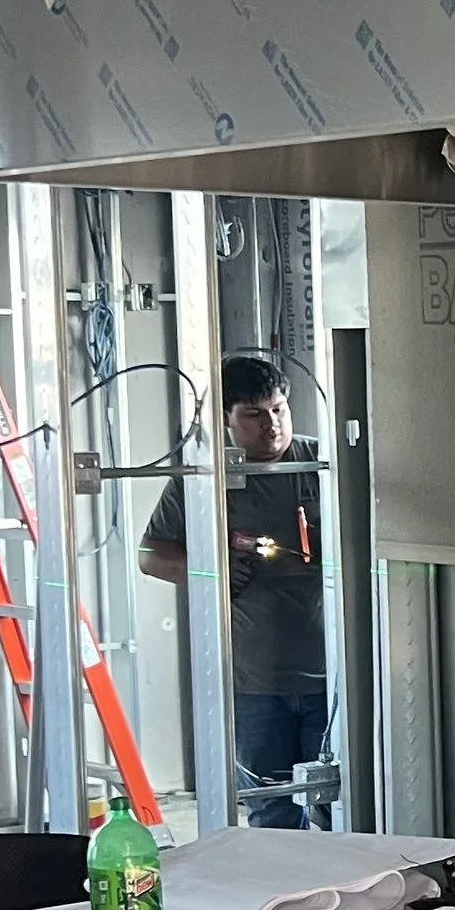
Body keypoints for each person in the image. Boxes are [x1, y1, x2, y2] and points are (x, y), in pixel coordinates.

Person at [139, 352, 330, 829]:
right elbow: (151, 555)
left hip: (332, 683)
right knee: (272, 813)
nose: (272, 426)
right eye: (254, 414)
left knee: (338, 808)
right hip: (254, 686)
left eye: (279, 410)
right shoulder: (204, 477)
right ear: (224, 420)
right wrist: (212, 570)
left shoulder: (323, 461)